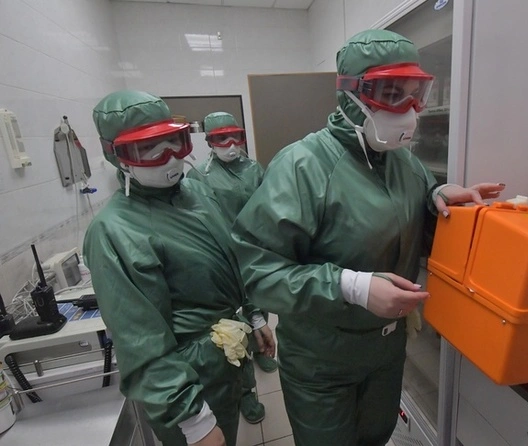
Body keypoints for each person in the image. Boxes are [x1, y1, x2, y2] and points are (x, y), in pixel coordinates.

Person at [231, 30, 505, 446]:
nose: (408, 109)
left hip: (385, 353)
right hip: (322, 358)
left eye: (415, 94)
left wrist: (439, 200)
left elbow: (410, 229)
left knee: (377, 435)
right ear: (351, 94)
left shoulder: (405, 164)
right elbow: (259, 273)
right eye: (391, 94)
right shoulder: (302, 166)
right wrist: (352, 287)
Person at [83, 90, 275, 446]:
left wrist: (254, 316)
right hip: (186, 378)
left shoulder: (196, 193)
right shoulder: (114, 231)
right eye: (148, 148)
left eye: (174, 141)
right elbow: (140, 340)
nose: (169, 157)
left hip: (225, 355)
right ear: (117, 155)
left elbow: (230, 262)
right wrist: (194, 421)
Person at [186, 112, 277, 425]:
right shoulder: (199, 174)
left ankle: (262, 346)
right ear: (209, 141)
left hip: (255, 250)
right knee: (234, 324)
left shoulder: (254, 168)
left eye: (235, 136)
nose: (230, 144)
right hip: (222, 257)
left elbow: (267, 205)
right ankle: (245, 391)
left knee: (260, 303)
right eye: (220, 138)